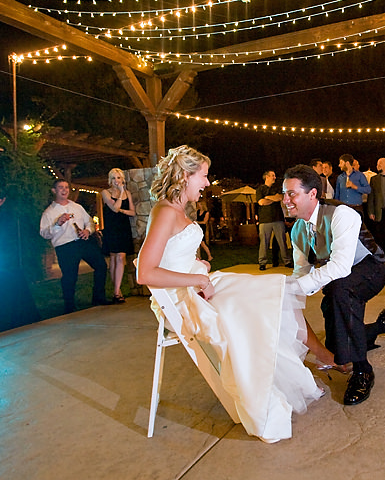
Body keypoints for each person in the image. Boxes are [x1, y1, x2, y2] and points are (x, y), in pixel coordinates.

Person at [136, 146, 327, 443]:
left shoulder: (174, 209)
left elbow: (171, 258)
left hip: (196, 287)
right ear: (185, 176)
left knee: (268, 292)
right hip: (181, 303)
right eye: (203, 176)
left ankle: (308, 360)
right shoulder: (164, 211)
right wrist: (198, 278)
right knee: (253, 307)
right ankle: (270, 391)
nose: (207, 183)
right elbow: (145, 273)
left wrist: (197, 267)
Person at [283, 164, 385, 407]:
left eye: (291, 193)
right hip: (341, 280)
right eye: (284, 193)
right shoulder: (298, 230)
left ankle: (363, 371)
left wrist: (298, 287)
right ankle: (383, 324)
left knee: (339, 291)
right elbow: (301, 270)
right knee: (338, 343)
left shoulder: (342, 214)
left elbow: (341, 267)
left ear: (312, 194)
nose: (285, 200)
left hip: (371, 269)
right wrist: (288, 292)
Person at [39, 179, 110, 313]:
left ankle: (99, 298)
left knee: (101, 265)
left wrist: (87, 231)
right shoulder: (49, 213)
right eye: (61, 187)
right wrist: (57, 224)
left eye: (66, 187)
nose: (64, 190)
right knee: (70, 275)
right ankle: (69, 306)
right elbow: (44, 233)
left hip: (83, 242)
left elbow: (89, 221)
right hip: (65, 246)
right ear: (54, 191)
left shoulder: (77, 207)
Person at [101, 168, 135, 304]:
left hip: (123, 228)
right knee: (114, 258)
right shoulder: (105, 193)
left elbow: (132, 212)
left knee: (121, 257)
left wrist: (122, 210)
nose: (116, 181)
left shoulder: (128, 193)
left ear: (122, 179)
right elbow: (114, 208)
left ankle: (116, 291)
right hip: (111, 228)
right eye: (114, 178)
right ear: (110, 180)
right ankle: (117, 292)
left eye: (119, 178)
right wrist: (120, 194)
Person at [256, 170, 292, 270]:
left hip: (278, 219)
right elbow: (261, 202)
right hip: (264, 220)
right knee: (264, 243)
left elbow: (280, 197)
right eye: (272, 175)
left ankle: (287, 261)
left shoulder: (277, 188)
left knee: (282, 242)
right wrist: (273, 198)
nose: (274, 177)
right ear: (266, 177)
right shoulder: (260, 189)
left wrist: (268, 198)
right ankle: (262, 263)